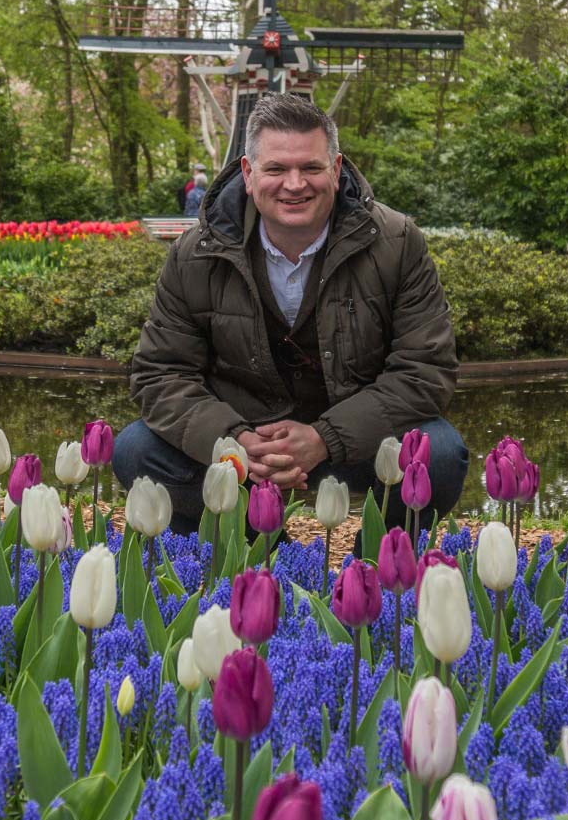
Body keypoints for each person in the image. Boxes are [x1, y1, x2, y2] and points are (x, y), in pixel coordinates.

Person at [114, 94, 466, 533]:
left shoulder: (397, 243)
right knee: (135, 450)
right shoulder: (194, 254)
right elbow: (161, 375)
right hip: (244, 445)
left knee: (441, 454)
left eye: (311, 168)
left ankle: (372, 575)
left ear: (336, 171)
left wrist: (325, 437)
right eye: (276, 169)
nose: (295, 184)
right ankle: (247, 557)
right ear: (248, 173)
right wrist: (236, 442)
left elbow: (425, 371)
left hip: (355, 441)